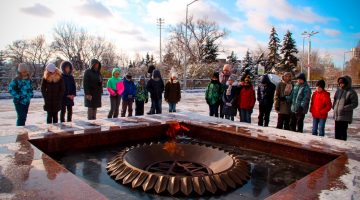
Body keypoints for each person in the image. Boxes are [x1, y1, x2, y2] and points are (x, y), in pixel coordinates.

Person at [333, 76, 358, 140]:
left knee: (343, 133)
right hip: (337, 115)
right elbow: (335, 99)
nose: (341, 84)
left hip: (345, 116)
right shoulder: (338, 90)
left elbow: (355, 103)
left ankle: (342, 148)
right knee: (337, 134)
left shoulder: (351, 92)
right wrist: (334, 106)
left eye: (342, 83)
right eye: (339, 83)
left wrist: (344, 108)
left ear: (346, 83)